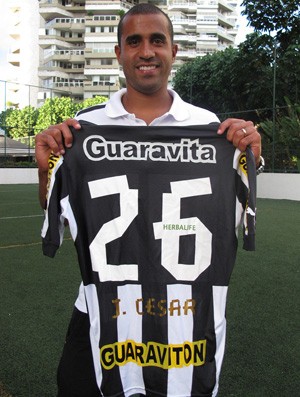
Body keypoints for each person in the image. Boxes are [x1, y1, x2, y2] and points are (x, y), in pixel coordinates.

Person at [35, 4, 262, 397]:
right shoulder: (83, 131)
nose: (146, 51)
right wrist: (47, 168)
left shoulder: (215, 132)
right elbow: (58, 217)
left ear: (173, 51)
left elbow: (240, 214)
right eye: (134, 41)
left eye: (157, 40)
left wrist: (248, 157)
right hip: (102, 309)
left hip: (185, 317)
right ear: (119, 52)